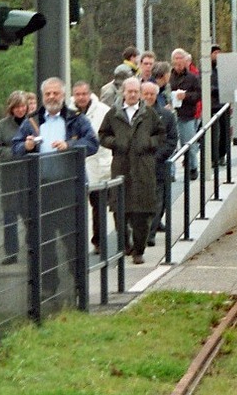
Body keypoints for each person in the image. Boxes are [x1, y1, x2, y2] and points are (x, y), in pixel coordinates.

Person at [12, 78, 100, 297]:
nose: (52, 97)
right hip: (42, 189)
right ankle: (49, 287)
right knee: (44, 241)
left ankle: (79, 286)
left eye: (56, 94)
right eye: (48, 94)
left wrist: (69, 146)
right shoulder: (31, 121)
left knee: (72, 240)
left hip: (69, 189)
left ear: (63, 95)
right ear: (43, 97)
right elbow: (15, 147)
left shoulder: (75, 119)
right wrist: (27, 146)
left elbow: (92, 143)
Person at [97, 78, 163, 264]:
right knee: (120, 211)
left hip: (143, 168)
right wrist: (116, 143)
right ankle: (125, 245)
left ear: (140, 93)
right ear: (123, 93)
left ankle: (139, 250)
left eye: (136, 91)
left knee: (142, 214)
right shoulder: (113, 114)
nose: (133, 94)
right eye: (129, 91)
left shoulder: (149, 114)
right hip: (121, 167)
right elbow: (103, 135)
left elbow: (161, 135)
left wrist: (149, 143)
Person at [71, 80, 112, 255]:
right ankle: (75, 243)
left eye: (84, 94)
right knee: (76, 208)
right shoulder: (66, 112)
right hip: (74, 167)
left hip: (98, 164)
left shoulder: (103, 111)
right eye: (78, 94)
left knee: (98, 207)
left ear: (89, 94)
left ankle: (99, 241)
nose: (81, 97)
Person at [0, 90, 30, 264]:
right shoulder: (3, 125)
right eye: (17, 107)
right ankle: (11, 252)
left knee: (30, 213)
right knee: (10, 214)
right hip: (10, 175)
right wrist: (15, 152)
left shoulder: (32, 123)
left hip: (29, 173)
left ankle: (32, 246)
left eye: (23, 106)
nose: (21, 110)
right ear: (11, 108)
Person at [142, 81, 178, 243]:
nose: (149, 97)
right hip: (138, 165)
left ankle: (150, 233)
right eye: (146, 94)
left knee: (158, 201)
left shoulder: (167, 116)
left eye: (152, 94)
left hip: (158, 164)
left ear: (156, 95)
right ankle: (140, 233)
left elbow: (172, 140)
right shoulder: (133, 114)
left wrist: (157, 156)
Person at [169, 48, 203, 180]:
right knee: (171, 144)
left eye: (180, 58)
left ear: (185, 61)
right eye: (175, 59)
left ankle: (192, 168)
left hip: (187, 114)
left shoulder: (192, 78)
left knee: (189, 144)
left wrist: (186, 96)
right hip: (171, 115)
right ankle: (170, 172)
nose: (178, 62)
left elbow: (199, 94)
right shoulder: (168, 77)